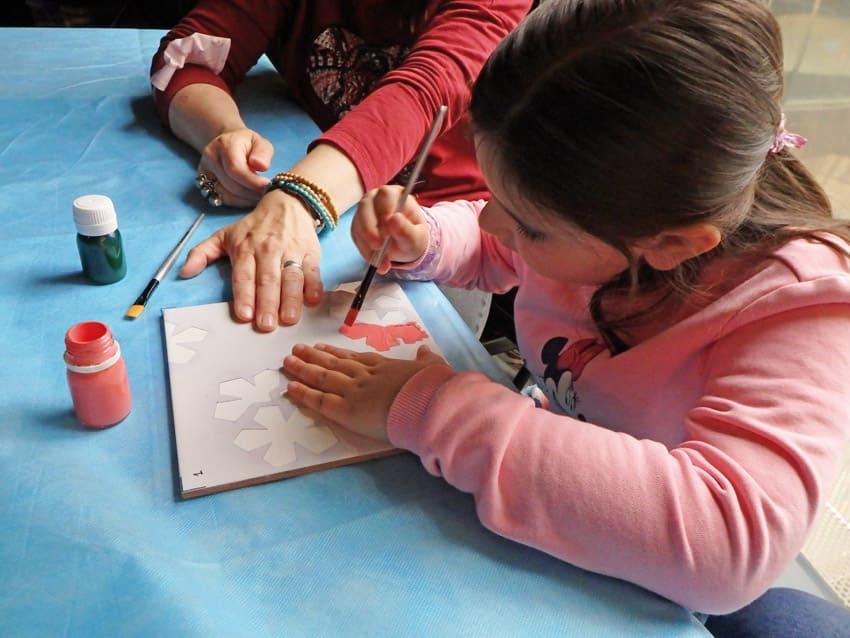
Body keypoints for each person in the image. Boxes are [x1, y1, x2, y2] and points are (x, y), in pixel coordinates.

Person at [281, 0, 850, 614]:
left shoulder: (801, 310)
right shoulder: (605, 218)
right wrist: (430, 238)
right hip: (545, 491)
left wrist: (439, 410)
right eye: (495, 194)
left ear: (668, 246)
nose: (496, 220)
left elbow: (726, 548)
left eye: (528, 224)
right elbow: (497, 242)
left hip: (644, 577)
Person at [149, 0, 531, 330]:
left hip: (439, 227)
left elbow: (422, 93)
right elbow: (185, 56)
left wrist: (298, 199)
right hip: (327, 177)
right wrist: (224, 133)